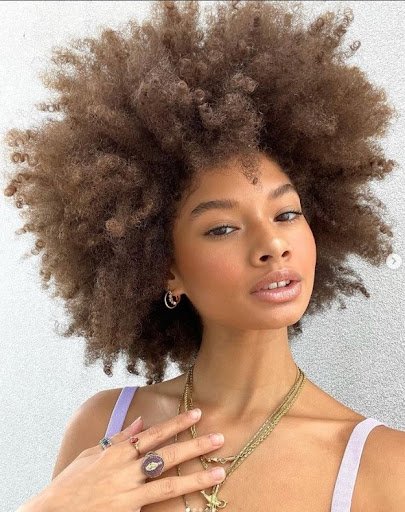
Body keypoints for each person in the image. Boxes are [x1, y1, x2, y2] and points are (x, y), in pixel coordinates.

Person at [5, 1, 404, 511]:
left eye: (286, 215)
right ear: (165, 268)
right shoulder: (105, 428)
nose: (272, 244)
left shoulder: (385, 466)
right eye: (222, 227)